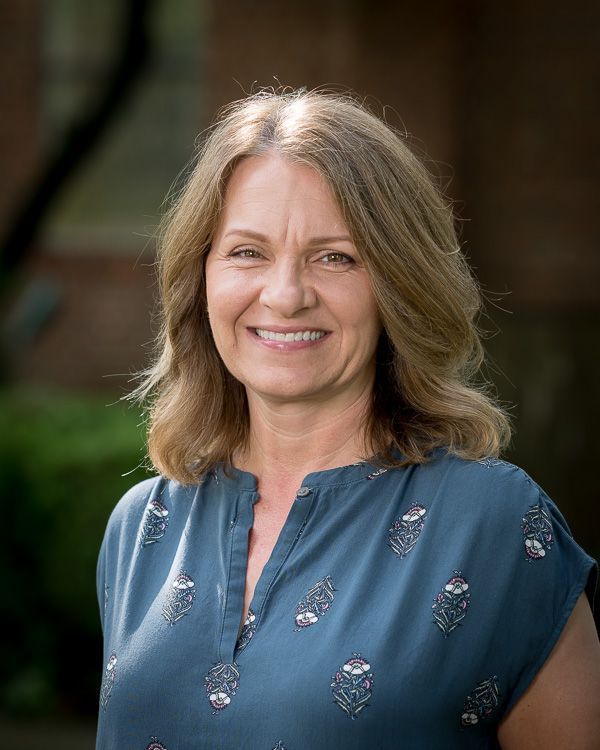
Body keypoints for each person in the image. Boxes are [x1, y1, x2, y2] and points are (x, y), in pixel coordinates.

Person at [95, 89, 600, 750]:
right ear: (201, 279)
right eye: (248, 252)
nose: (286, 295)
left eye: (336, 257)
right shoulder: (143, 527)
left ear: (398, 283)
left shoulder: (497, 526)